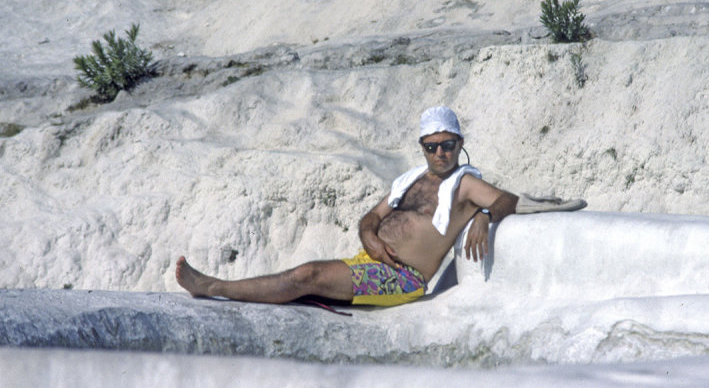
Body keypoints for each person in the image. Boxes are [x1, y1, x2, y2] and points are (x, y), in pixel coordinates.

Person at [175, 106, 518, 307]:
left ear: (459, 144)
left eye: (447, 145)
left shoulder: (465, 183)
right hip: (367, 261)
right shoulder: (412, 180)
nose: (440, 154)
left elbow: (508, 199)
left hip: (401, 278)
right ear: (422, 147)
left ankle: (213, 287)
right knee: (307, 278)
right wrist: (368, 234)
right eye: (431, 147)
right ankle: (219, 286)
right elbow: (373, 215)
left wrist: (485, 216)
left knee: (307, 275)